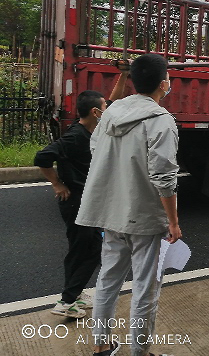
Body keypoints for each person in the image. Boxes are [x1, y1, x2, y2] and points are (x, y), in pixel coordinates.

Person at [76, 53, 181, 356]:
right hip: (145, 218)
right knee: (145, 289)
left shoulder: (111, 112)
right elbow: (164, 178)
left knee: (108, 280)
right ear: (164, 83)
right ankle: (140, 352)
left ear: (134, 81)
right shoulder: (161, 121)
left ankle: (101, 344)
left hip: (111, 214)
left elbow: (96, 148)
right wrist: (173, 222)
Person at [34, 65, 129, 319]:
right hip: (75, 201)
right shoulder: (75, 136)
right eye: (104, 108)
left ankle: (73, 295)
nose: (109, 109)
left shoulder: (94, 128)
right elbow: (42, 157)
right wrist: (57, 183)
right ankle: (66, 300)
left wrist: (124, 74)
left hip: (87, 200)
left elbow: (114, 98)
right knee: (91, 249)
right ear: (96, 112)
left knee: (79, 249)